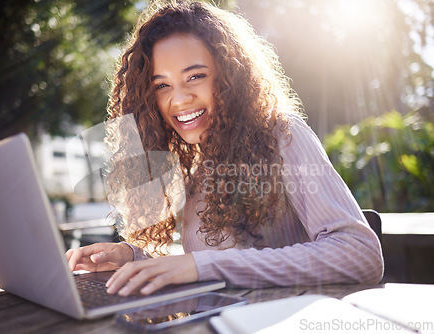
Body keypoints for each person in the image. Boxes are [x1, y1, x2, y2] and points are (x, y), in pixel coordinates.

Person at [66, 0, 384, 297]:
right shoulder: (193, 163)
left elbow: (359, 253)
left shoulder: (282, 133)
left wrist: (201, 266)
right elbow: (205, 260)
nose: (178, 100)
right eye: (161, 85)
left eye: (195, 76)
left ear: (230, 75)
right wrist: (131, 257)